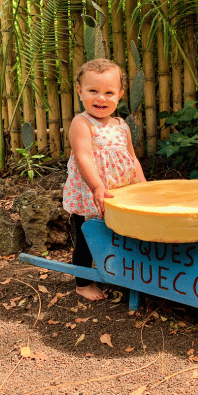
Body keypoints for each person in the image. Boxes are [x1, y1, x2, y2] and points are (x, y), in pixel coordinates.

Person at [63, 59, 147, 301]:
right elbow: (83, 157)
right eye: (93, 91)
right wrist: (97, 187)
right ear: (80, 91)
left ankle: (117, 273)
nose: (101, 98)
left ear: (119, 95)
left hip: (120, 193)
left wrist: (143, 187)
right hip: (91, 194)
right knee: (88, 236)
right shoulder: (82, 123)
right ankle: (83, 283)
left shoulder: (122, 126)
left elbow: (132, 159)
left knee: (119, 234)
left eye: (109, 92)